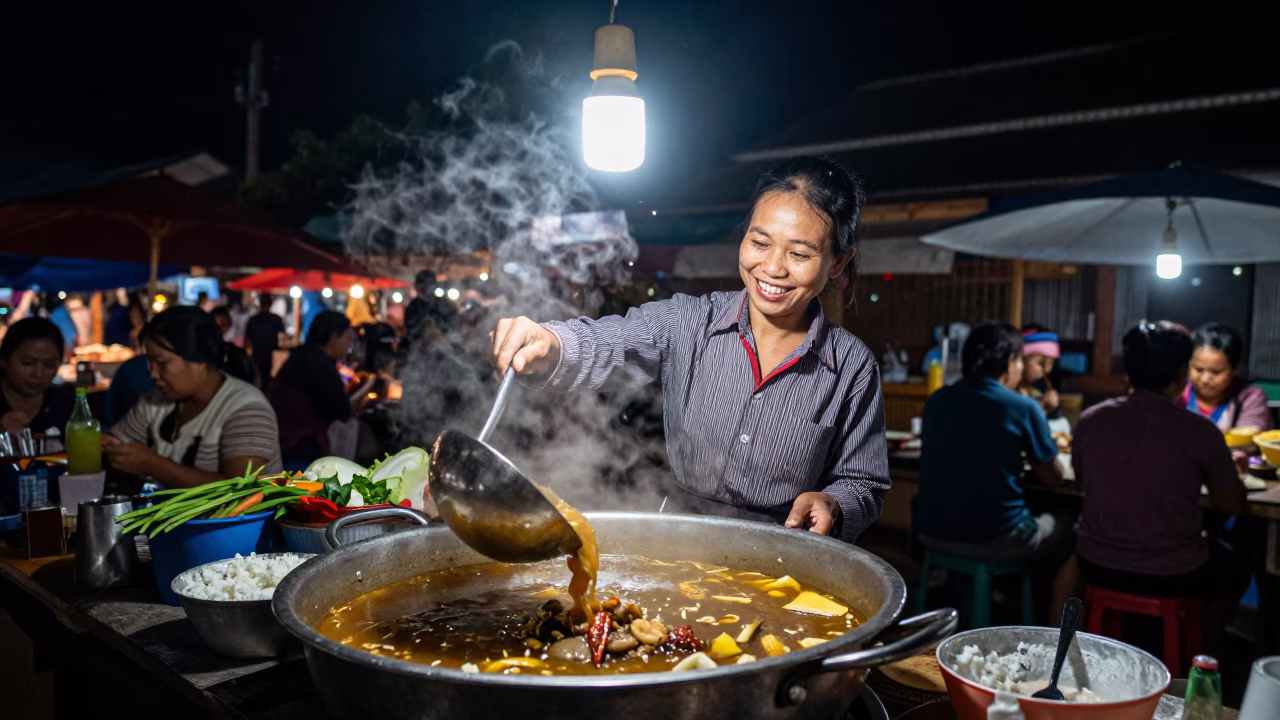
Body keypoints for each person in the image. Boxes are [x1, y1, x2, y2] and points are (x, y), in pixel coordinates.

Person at [490, 156, 889, 542]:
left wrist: (835, 502)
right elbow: (610, 341)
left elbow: (865, 481)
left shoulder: (852, 367)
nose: (773, 267)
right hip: (680, 542)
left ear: (838, 263)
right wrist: (552, 341)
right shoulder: (688, 322)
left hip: (787, 550)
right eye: (760, 242)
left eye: (800, 254)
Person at [1073, 321, 1248, 644]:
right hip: (1173, 574)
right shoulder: (1200, 432)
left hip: (1098, 564)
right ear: (1182, 375)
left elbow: (1081, 478)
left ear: (1127, 372)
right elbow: (1233, 504)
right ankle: (1202, 653)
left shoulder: (1091, 420)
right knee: (1235, 566)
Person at [914, 322, 1075, 620]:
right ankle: (1054, 634)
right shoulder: (1022, 406)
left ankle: (986, 602)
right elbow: (1051, 478)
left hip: (930, 532)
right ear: (1011, 363)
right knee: (1074, 533)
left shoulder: (937, 400)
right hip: (994, 537)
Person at [103, 307, 281, 488]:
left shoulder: (247, 410)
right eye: (150, 362)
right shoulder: (155, 402)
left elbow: (238, 489)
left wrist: (154, 465)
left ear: (200, 361)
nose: (153, 374)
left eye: (162, 363)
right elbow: (118, 442)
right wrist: (109, 447)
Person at [270, 311, 374, 466]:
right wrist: (367, 386)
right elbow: (341, 410)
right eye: (347, 339)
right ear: (333, 338)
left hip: (283, 442)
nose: (349, 346)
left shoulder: (303, 355)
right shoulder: (319, 364)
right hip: (299, 447)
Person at [1183, 322, 1272, 433]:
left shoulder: (1250, 398)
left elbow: (1245, 443)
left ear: (1235, 369)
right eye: (1198, 370)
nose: (1205, 379)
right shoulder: (1178, 392)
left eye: (1216, 372)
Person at [0, 318, 74, 436]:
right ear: (4, 360)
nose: (38, 374)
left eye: (49, 365)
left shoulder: (66, 405)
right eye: (27, 362)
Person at [1019, 324, 1062, 419]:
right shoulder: (1010, 392)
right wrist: (1041, 407)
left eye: (1050, 364)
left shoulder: (1039, 389)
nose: (1047, 370)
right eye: (1040, 363)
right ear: (1021, 359)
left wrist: (1053, 409)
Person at [244, 293, 286, 390]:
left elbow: (246, 340)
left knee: (257, 379)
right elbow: (283, 338)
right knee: (268, 380)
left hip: (258, 354)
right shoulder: (275, 319)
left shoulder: (254, 320)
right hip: (271, 355)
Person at [404, 270, 458, 343]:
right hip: (421, 346)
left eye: (429, 285)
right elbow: (410, 329)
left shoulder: (442, 304)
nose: (427, 288)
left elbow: (453, 324)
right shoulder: (414, 306)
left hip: (442, 345)